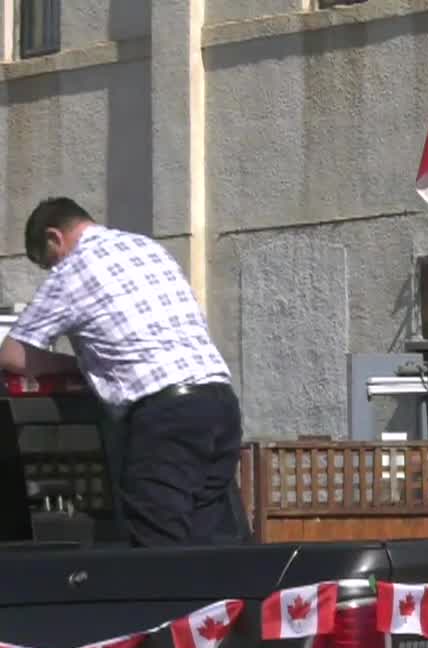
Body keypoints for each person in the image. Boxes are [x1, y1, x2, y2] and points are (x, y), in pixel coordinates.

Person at [0, 197, 246, 547]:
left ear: (55, 238)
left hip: (165, 416)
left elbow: (12, 354)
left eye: (48, 262)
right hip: (219, 404)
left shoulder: (74, 269)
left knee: (158, 542)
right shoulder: (146, 248)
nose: (52, 270)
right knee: (208, 541)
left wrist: (74, 366)